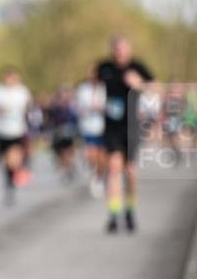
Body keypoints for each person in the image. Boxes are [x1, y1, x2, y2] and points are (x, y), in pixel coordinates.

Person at [97, 35, 154, 233]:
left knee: (129, 170)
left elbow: (155, 89)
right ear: (112, 50)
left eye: (123, 49)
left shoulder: (138, 67)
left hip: (131, 126)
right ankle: (113, 215)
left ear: (128, 50)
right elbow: (92, 85)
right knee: (113, 169)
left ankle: (130, 210)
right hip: (111, 126)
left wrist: (138, 84)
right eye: (116, 49)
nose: (119, 52)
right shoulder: (104, 67)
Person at [0, 67, 33, 206]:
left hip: (17, 131)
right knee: (4, 162)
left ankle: (18, 172)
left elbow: (29, 108)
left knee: (13, 159)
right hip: (1, 131)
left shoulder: (22, 91)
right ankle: (9, 182)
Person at [76, 63, 107, 198]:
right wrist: (88, 108)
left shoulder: (105, 88)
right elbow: (78, 107)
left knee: (102, 157)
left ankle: (99, 176)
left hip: (104, 127)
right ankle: (93, 173)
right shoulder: (83, 89)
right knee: (92, 155)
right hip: (88, 127)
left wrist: (102, 107)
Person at [47, 86, 78, 183]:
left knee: (68, 152)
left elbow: (75, 121)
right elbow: (50, 121)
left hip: (69, 133)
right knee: (59, 153)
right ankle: (64, 168)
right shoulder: (54, 109)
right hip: (58, 134)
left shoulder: (72, 109)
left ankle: (68, 167)